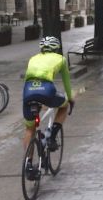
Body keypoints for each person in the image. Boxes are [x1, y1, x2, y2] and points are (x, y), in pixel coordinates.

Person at [22, 36, 74, 180]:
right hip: (47, 90)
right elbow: (66, 81)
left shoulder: (33, 58)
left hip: (28, 91)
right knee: (63, 106)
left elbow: (27, 78)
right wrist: (70, 98)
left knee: (30, 128)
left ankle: (28, 164)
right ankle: (51, 137)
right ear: (56, 48)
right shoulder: (60, 58)